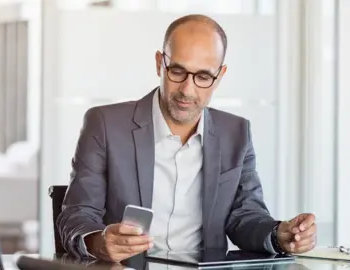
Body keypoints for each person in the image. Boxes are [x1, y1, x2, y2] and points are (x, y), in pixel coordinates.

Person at [57, 14, 317, 262]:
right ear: (160, 63)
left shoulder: (236, 133)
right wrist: (98, 241)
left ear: (220, 76)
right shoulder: (105, 124)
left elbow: (245, 217)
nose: (187, 90)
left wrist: (278, 234)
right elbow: (77, 215)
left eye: (203, 76)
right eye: (177, 72)